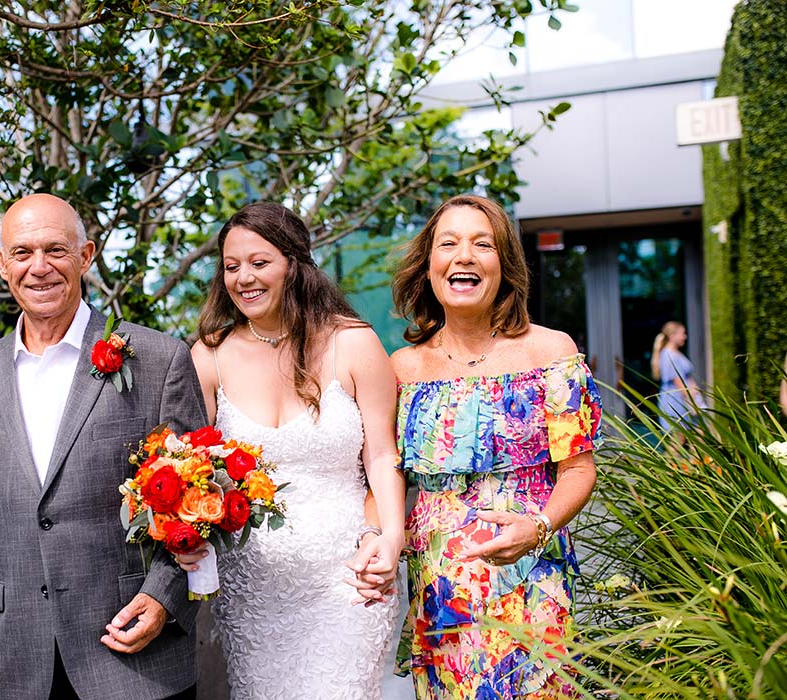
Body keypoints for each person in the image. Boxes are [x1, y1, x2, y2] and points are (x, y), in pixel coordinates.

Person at [0, 193, 208, 700]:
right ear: (0, 263)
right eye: (22, 253)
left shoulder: (159, 360)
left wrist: (165, 598)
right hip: (17, 660)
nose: (40, 268)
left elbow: (197, 504)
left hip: (132, 650)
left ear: (86, 256)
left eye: (56, 250)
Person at [178, 202, 405, 699]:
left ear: (294, 264)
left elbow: (383, 457)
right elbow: (189, 467)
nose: (244, 278)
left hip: (348, 579)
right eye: (231, 266)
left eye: (259, 263)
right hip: (251, 591)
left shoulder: (353, 344)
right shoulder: (208, 355)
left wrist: (389, 537)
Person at [390, 194, 601, 698]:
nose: (464, 255)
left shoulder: (550, 352)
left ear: (503, 265)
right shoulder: (401, 368)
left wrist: (539, 525)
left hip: (532, 579)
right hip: (441, 592)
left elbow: (578, 469)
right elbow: (385, 475)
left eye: (481, 244)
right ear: (429, 266)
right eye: (449, 243)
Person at [651, 321, 704, 437]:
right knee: (679, 441)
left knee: (695, 438)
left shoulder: (676, 353)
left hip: (685, 400)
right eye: (682, 334)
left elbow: (688, 378)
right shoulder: (668, 355)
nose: (685, 337)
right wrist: (692, 403)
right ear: (672, 336)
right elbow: (678, 382)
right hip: (676, 402)